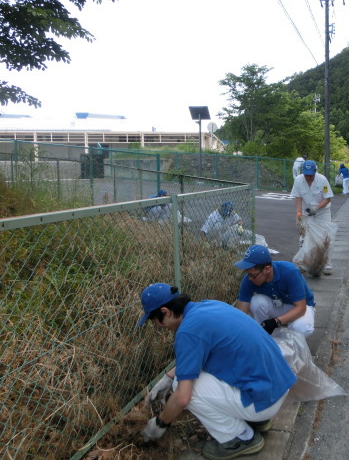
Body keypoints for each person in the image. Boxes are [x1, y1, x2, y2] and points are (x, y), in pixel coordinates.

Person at [138, 283, 296, 460]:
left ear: (166, 312)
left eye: (155, 320)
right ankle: (257, 421)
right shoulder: (208, 306)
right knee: (185, 378)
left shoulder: (187, 332)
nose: (159, 326)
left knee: (185, 388)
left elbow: (182, 398)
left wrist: (160, 423)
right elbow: (200, 352)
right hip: (278, 386)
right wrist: (168, 376)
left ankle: (241, 439)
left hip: (263, 401)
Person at [234, 244, 316, 337]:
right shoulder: (249, 280)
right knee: (256, 302)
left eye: (252, 275)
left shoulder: (290, 272)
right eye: (247, 273)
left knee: (302, 327)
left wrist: (276, 322)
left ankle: (293, 343)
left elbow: (300, 308)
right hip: (277, 306)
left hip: (300, 306)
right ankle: (263, 335)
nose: (249, 278)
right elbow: (240, 314)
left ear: (267, 269)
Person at [290, 160, 334, 275]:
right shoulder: (299, 180)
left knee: (325, 238)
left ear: (315, 171)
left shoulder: (322, 180)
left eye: (310, 174)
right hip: (306, 212)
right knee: (304, 238)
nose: (308, 177)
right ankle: (304, 264)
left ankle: (327, 265)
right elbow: (298, 197)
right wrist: (299, 212)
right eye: (306, 174)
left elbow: (327, 198)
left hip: (322, 213)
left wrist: (316, 208)